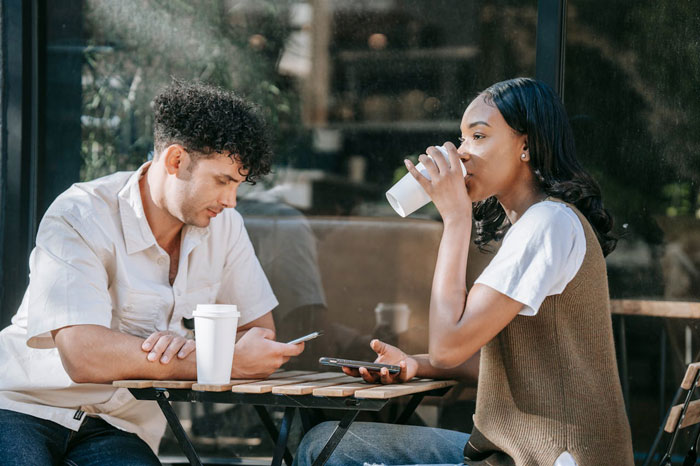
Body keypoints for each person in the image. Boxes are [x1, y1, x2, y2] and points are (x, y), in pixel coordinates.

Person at [294, 77, 634, 466]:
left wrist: (456, 219)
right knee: (332, 443)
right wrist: (416, 365)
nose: (463, 153)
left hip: (551, 456)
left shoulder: (548, 223)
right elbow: (501, 359)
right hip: (522, 451)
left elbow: (449, 344)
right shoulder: (539, 223)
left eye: (478, 136)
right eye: (462, 138)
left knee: (327, 447)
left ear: (526, 145)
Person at [0, 80, 305, 465]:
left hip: (119, 426)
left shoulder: (226, 227)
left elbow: (258, 336)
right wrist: (213, 360)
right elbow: (82, 355)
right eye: (223, 181)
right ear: (176, 160)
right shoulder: (80, 213)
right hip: (25, 407)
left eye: (238, 186)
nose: (231, 201)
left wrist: (203, 352)